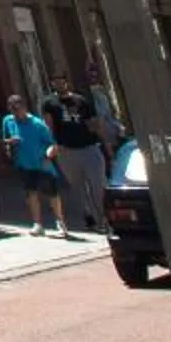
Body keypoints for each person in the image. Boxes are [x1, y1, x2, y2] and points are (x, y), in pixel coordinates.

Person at [44, 83, 108, 234]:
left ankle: (103, 219)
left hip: (89, 147)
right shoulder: (50, 103)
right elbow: (49, 125)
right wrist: (53, 145)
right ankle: (89, 217)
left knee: (98, 184)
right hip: (67, 150)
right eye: (55, 81)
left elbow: (94, 123)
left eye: (61, 80)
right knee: (78, 187)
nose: (59, 84)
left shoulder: (81, 101)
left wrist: (106, 144)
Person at [0, 92, 64, 235]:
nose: (16, 114)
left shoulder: (37, 124)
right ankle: (37, 224)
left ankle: (60, 222)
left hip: (42, 162)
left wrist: (49, 153)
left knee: (52, 193)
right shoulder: (8, 121)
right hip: (24, 163)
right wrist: (10, 142)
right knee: (31, 193)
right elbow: (5, 139)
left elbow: (51, 144)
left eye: (18, 109)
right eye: (13, 111)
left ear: (24, 107)